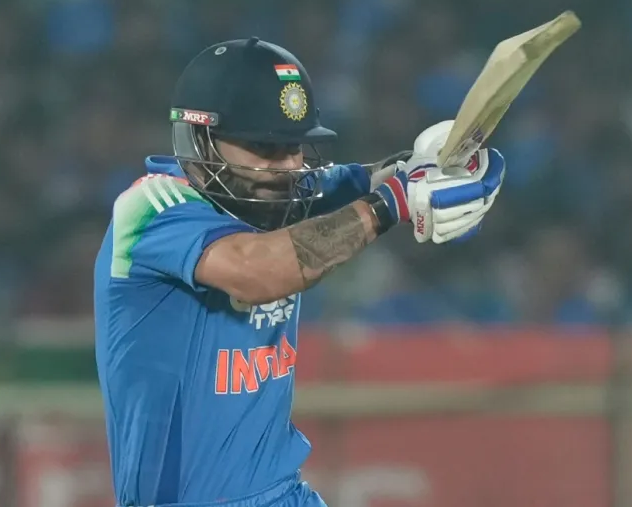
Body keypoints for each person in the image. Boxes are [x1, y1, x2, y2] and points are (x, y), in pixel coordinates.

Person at [93, 37, 505, 507]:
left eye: (294, 147)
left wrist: (432, 167)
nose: (287, 167)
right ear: (200, 138)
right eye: (265, 147)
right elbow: (255, 271)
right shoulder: (152, 207)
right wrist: (392, 201)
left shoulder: (276, 191)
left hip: (284, 495)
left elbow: (367, 180)